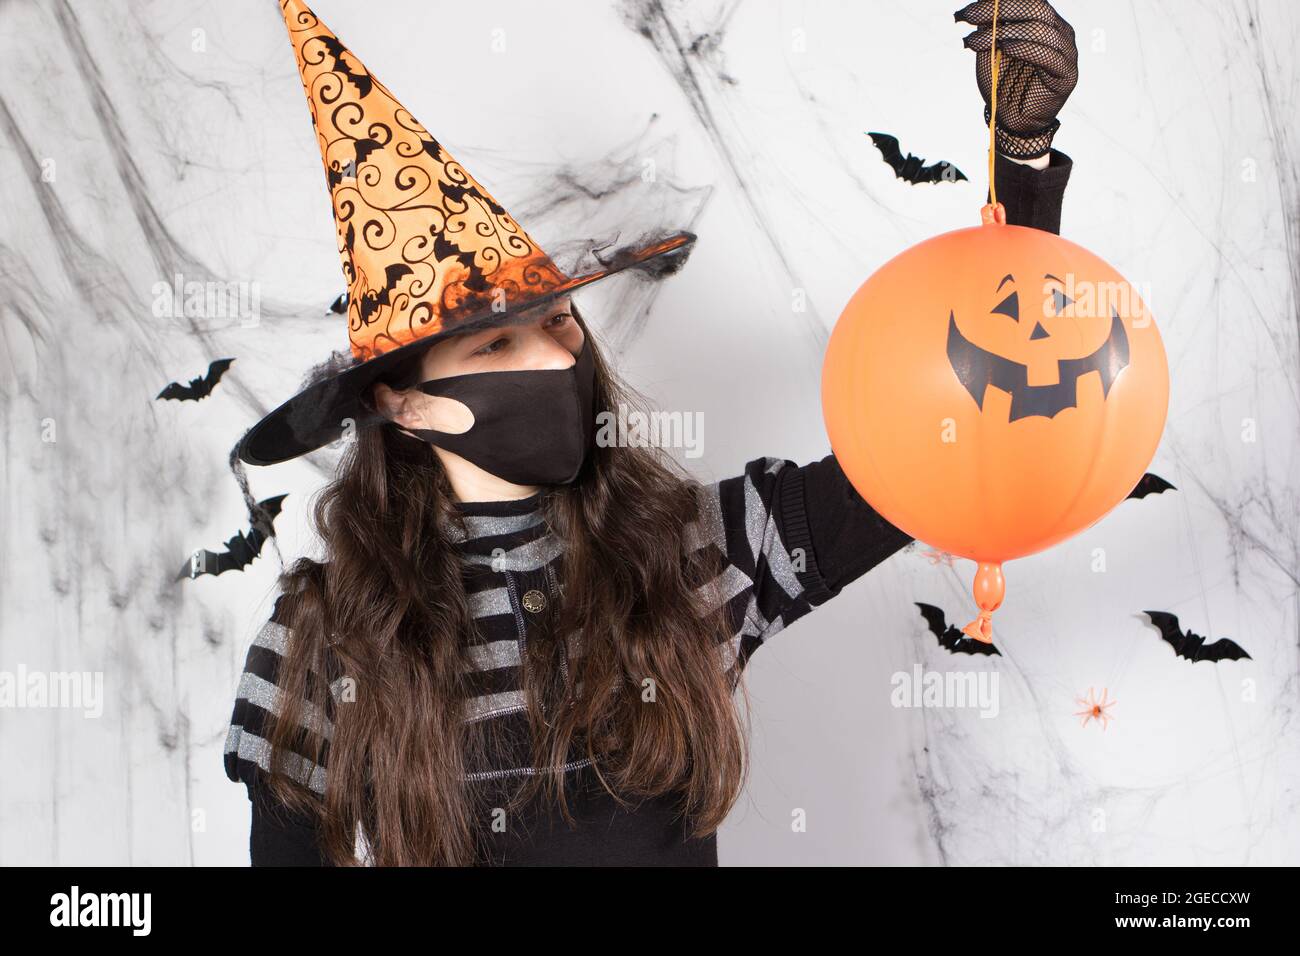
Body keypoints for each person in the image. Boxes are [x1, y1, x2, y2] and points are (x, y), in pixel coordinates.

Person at [223, 0, 1078, 865]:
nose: (556, 355)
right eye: (496, 342)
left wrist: (1023, 165)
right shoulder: (320, 634)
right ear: (400, 405)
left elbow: (956, 442)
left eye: (560, 321)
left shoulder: (698, 548)